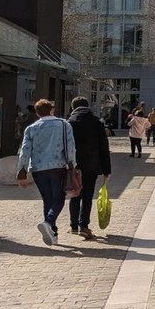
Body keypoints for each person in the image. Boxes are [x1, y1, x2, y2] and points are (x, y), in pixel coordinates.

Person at [17, 99, 77, 246]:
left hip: (38, 169)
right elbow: (70, 147)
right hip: (58, 166)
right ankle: (49, 223)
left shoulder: (31, 129)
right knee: (59, 199)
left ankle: (53, 233)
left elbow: (25, 150)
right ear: (52, 110)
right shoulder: (64, 125)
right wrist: (72, 165)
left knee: (47, 199)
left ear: (37, 113)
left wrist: (22, 171)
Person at [67, 96, 111, 239]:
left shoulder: (69, 123)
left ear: (73, 108)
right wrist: (106, 170)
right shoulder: (96, 123)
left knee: (74, 194)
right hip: (92, 165)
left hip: (74, 165)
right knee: (87, 196)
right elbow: (104, 147)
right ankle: (84, 226)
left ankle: (73, 225)